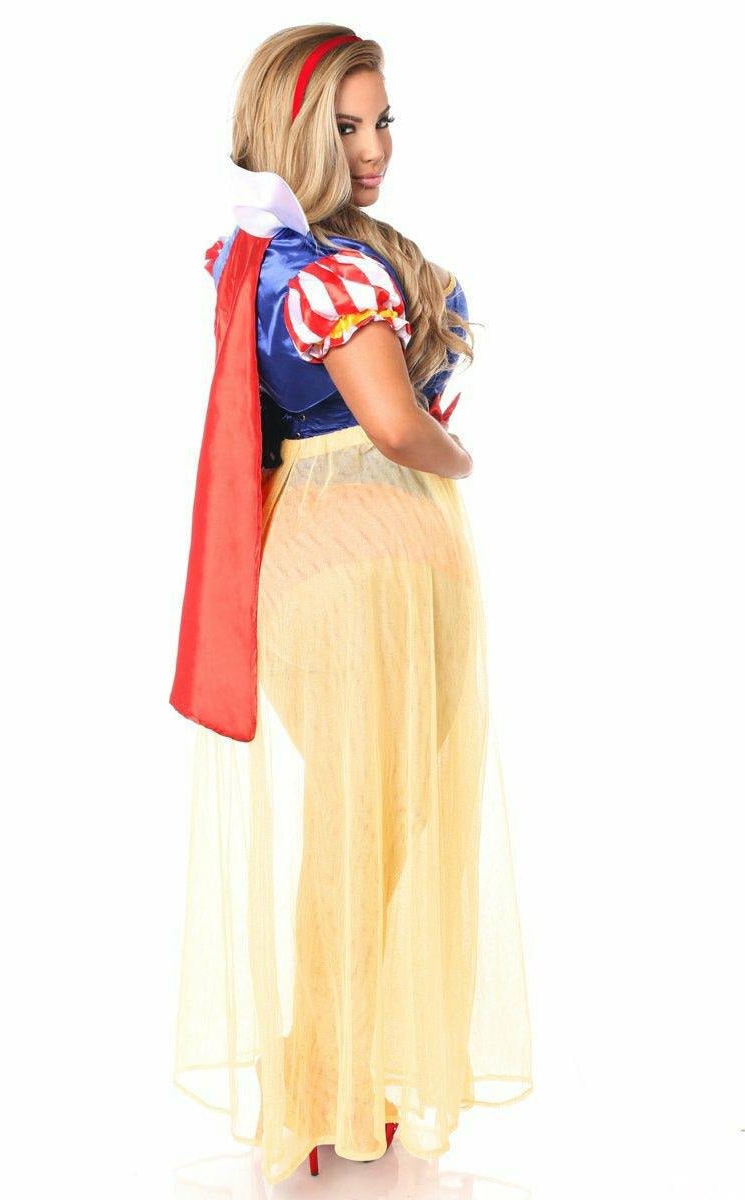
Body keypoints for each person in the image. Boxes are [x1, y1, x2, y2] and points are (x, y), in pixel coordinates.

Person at [169, 24, 533, 1187]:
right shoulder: (324, 274)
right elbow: (392, 425)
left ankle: (331, 1067)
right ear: (291, 131)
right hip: (370, 561)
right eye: (344, 126)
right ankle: (314, 1076)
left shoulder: (262, 261)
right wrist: (458, 459)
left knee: (360, 821)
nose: (372, 148)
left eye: (381, 122)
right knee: (369, 823)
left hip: (318, 555)